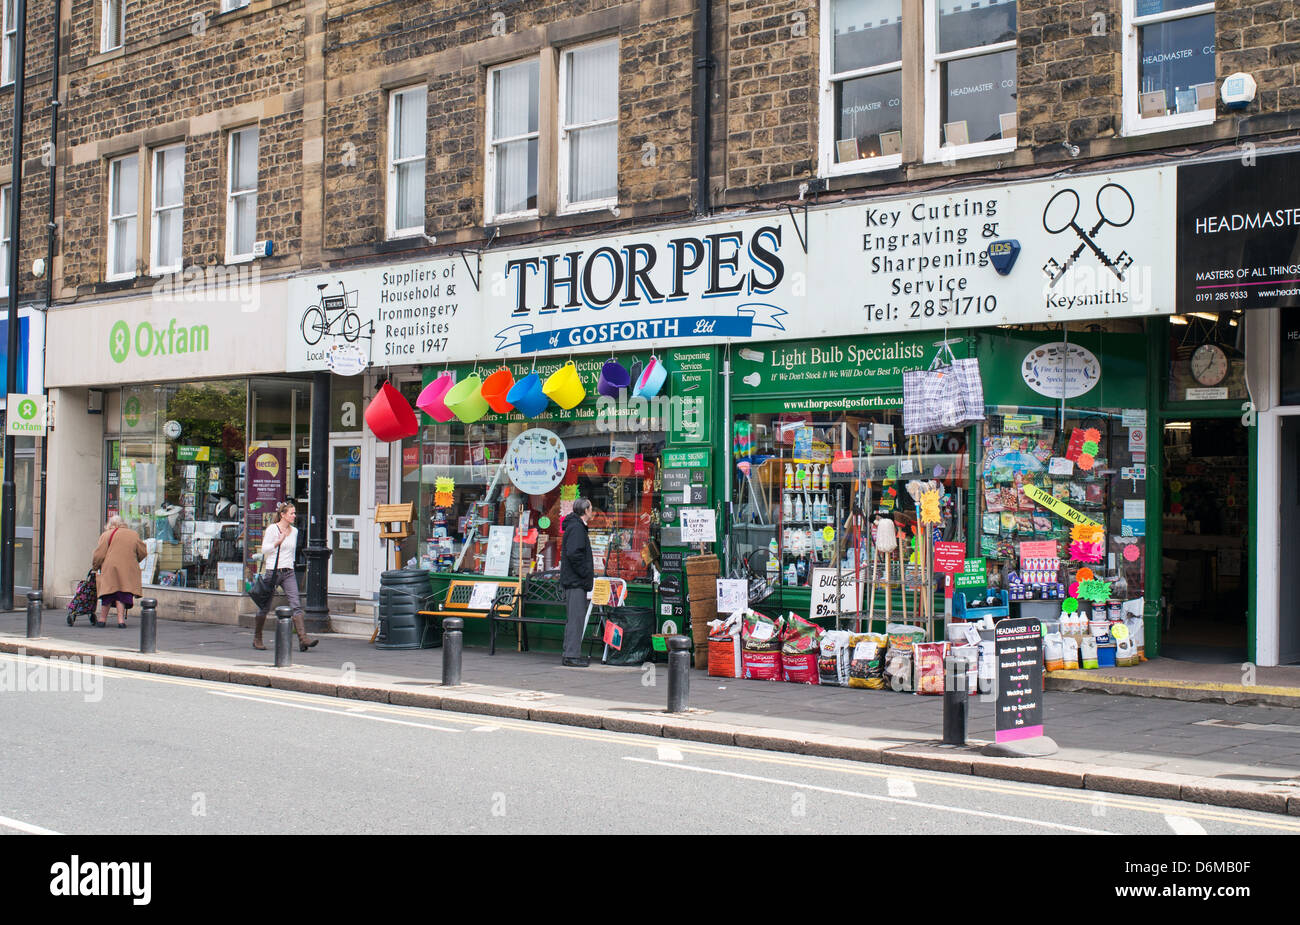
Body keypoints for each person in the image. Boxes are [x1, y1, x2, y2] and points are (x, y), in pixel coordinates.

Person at [253, 501, 318, 652]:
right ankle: (257, 637)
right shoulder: (272, 529)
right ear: (283, 515)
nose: (294, 516)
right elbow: (264, 549)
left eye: (294, 513)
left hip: (288, 571)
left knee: (296, 604)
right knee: (265, 606)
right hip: (273, 571)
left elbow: (292, 552)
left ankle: (303, 639)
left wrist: (292, 565)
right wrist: (278, 542)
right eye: (291, 513)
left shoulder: (294, 531)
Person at [91, 515, 147, 628]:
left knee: (107, 593)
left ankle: (102, 620)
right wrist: (133, 561)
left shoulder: (106, 535)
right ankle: (121, 621)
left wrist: (95, 567)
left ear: (111, 524)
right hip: (127, 569)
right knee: (122, 593)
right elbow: (142, 552)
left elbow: (99, 554)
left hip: (110, 568)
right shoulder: (133, 534)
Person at [559, 497, 594, 667]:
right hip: (576, 581)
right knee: (576, 619)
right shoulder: (577, 528)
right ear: (586, 510)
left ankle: (570, 653)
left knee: (575, 618)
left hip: (574, 580)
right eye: (591, 508)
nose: (592, 511)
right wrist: (585, 573)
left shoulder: (575, 527)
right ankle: (571, 656)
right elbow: (574, 554)